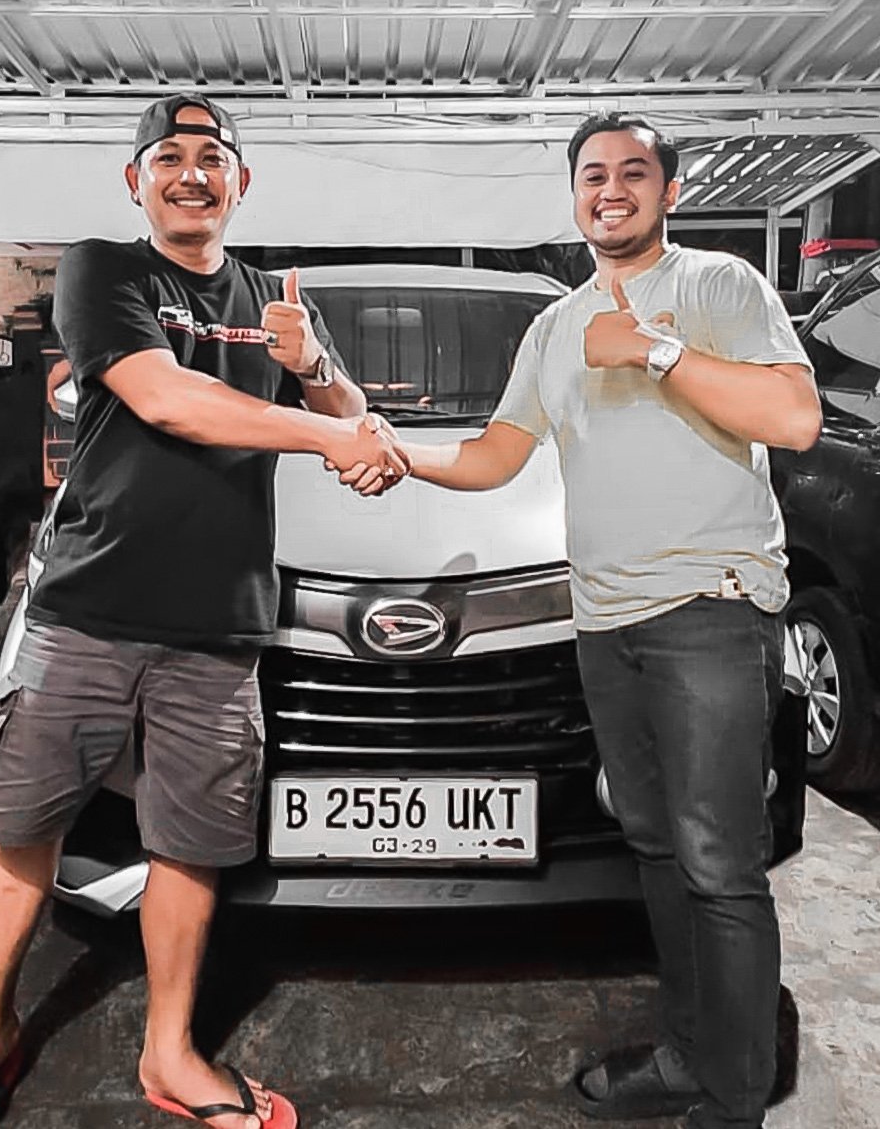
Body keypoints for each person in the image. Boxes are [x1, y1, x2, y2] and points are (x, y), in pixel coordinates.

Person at [0, 93, 410, 1129]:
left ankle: (172, 1051)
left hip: (220, 626)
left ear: (242, 180)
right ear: (136, 180)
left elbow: (352, 414)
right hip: (88, 610)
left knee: (189, 844)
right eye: (171, 156)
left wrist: (314, 368)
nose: (193, 173)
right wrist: (329, 436)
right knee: (25, 828)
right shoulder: (106, 270)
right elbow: (165, 398)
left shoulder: (274, 296)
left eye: (213, 157)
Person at [338, 113, 821, 1129]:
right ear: (573, 196)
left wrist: (654, 350)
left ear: (669, 191)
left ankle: (734, 1103)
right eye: (593, 174)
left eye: (633, 172)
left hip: (709, 612)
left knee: (720, 864)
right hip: (604, 620)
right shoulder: (554, 329)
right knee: (657, 850)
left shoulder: (719, 285)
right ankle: (689, 1056)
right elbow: (496, 454)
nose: (612, 189)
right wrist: (395, 452)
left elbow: (794, 418)